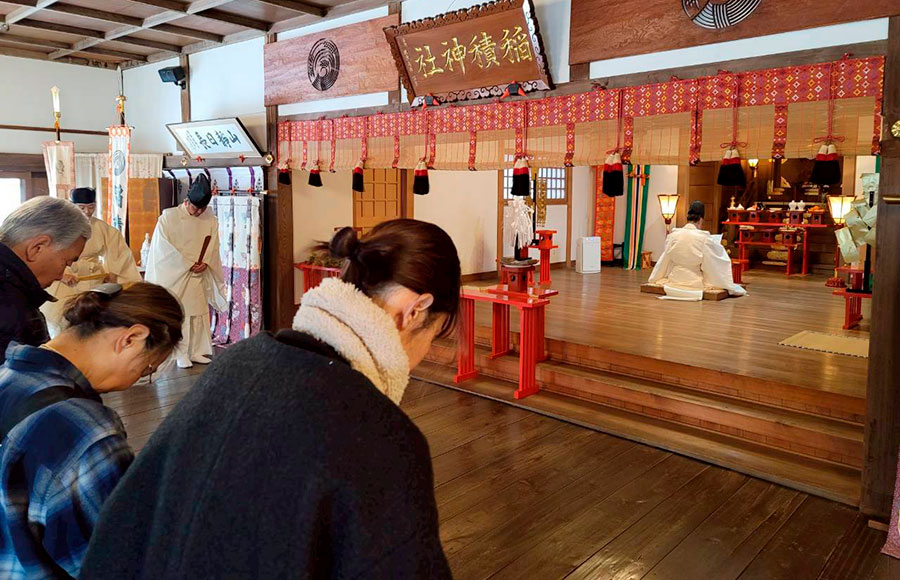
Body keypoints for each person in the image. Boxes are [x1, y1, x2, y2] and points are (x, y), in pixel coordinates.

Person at [81, 220, 460, 579]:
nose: (423, 354)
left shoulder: (239, 361)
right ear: (415, 311)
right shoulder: (384, 435)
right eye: (435, 335)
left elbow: (124, 525)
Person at [0, 282, 183, 579]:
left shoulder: (8, 375)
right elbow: (114, 559)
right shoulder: (88, 432)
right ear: (131, 339)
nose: (137, 378)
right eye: (148, 368)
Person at [145, 174, 225, 369]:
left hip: (198, 272)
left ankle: (196, 351)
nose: (198, 212)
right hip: (176, 273)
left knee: (198, 312)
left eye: (202, 208)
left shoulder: (210, 219)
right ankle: (180, 353)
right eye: (195, 207)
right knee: (181, 314)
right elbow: (162, 248)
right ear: (186, 200)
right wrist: (186, 263)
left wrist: (206, 262)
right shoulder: (169, 217)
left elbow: (214, 245)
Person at [0, 196, 91, 363]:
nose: (60, 275)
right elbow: (24, 383)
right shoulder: (10, 306)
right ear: (37, 247)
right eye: (66, 262)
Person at [41, 188, 142, 337]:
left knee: (93, 319)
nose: (87, 211)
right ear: (72, 206)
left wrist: (112, 274)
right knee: (63, 320)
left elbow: (118, 251)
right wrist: (61, 275)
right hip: (65, 278)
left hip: (92, 278)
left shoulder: (101, 227)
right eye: (81, 207)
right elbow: (46, 253)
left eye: (91, 206)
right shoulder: (59, 227)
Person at [648, 200, 747, 300]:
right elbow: (715, 262)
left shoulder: (673, 236)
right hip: (693, 282)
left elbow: (664, 260)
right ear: (700, 220)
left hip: (674, 280)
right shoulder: (703, 238)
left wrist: (655, 277)